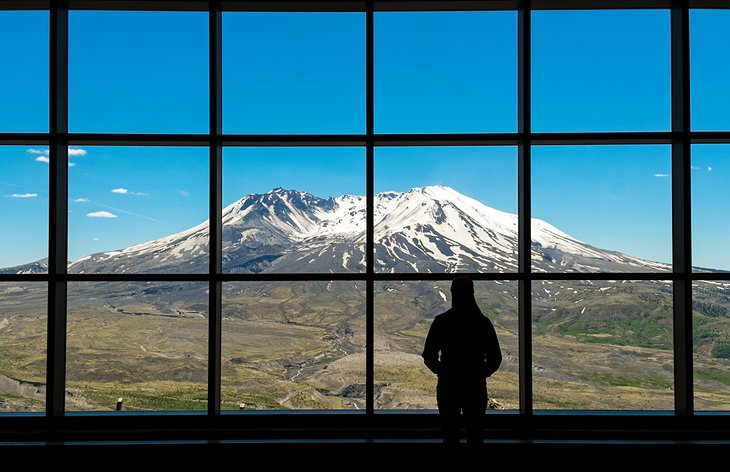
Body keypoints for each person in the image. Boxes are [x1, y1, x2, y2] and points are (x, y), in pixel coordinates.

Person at [422, 276, 502, 469]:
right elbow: (496, 357)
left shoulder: (442, 321)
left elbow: (429, 355)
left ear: (453, 293)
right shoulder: (482, 322)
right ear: (472, 293)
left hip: (448, 385)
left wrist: (443, 371)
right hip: (475, 386)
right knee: (476, 435)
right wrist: (481, 373)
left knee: (449, 434)